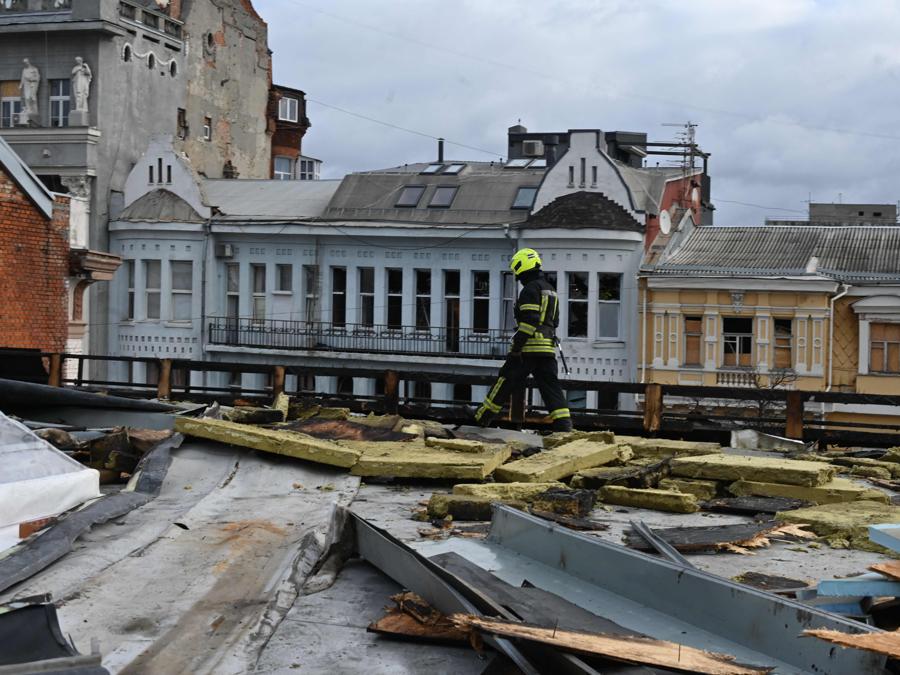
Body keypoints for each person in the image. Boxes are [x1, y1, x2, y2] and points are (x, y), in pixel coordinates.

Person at [475, 248, 572, 432]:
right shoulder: (551, 290)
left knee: (505, 379)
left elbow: (530, 321)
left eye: (517, 272)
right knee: (551, 387)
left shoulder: (530, 289)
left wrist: (517, 348)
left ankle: (482, 416)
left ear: (522, 268)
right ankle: (564, 425)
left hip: (529, 348)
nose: (517, 277)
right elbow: (555, 321)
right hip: (548, 348)